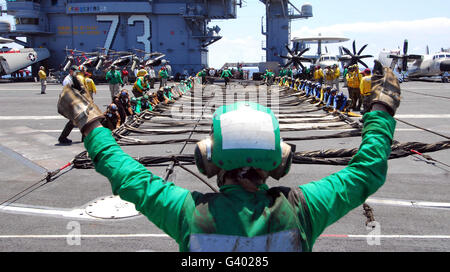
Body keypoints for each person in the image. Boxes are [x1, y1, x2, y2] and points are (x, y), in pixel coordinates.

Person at [56, 62, 401, 252]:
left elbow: (125, 174)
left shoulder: (188, 212)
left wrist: (91, 124)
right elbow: (366, 172)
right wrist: (382, 108)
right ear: (278, 160)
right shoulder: (302, 210)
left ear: (209, 158)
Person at [57, 65, 81, 144]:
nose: (76, 74)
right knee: (73, 121)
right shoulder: (67, 80)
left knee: (76, 120)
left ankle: (63, 137)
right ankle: (62, 137)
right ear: (71, 71)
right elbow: (67, 93)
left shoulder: (73, 78)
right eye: (75, 72)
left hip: (75, 101)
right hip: (70, 102)